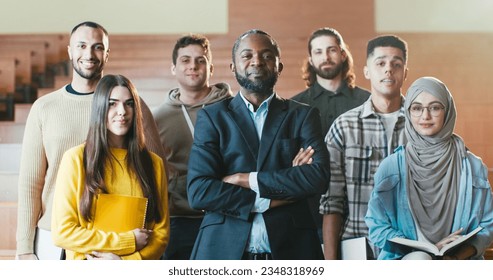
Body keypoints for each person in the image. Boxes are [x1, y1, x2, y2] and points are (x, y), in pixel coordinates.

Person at [16, 21, 165, 260]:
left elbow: (154, 171)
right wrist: (24, 247)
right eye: (82, 46)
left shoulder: (131, 107)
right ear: (69, 51)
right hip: (56, 235)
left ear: (107, 53)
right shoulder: (44, 107)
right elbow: (30, 183)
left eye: (97, 47)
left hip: (119, 235)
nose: (89, 54)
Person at [186, 29, 331, 260]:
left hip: (292, 250)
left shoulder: (302, 116)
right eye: (247, 55)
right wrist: (276, 195)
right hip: (223, 250)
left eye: (266, 55)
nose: (257, 61)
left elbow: (317, 178)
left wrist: (246, 179)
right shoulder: (212, 118)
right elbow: (200, 191)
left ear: (278, 66)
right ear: (233, 67)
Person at [365, 76, 493, 260]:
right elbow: (377, 227)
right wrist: (426, 248)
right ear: (408, 113)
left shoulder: (473, 167)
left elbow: (488, 225)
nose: (425, 116)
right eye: (417, 108)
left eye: (434, 107)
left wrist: (455, 258)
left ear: (447, 110)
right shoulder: (391, 167)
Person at [51, 74, 169, 260]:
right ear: (100, 108)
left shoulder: (154, 164)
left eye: (129, 104)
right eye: (112, 103)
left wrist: (123, 263)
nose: (122, 111)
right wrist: (127, 241)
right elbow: (63, 232)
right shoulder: (74, 159)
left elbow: (161, 235)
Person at [319, 35, 409, 259]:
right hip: (358, 246)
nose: (388, 70)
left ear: (405, 72)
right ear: (367, 71)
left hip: (411, 246)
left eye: (396, 64)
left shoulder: (421, 126)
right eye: (380, 63)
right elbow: (332, 202)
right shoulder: (344, 126)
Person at [152, 34, 233, 260]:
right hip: (179, 218)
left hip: (226, 214)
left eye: (200, 60)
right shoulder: (158, 118)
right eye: (185, 60)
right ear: (173, 68)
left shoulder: (232, 109)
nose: (193, 66)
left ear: (211, 68)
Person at [291, 27, 370, 241]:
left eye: (331, 50)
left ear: (343, 54)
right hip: (311, 213)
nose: (325, 57)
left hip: (363, 213)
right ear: (310, 59)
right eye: (318, 52)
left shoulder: (368, 102)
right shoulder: (295, 106)